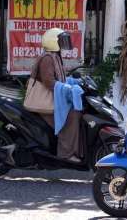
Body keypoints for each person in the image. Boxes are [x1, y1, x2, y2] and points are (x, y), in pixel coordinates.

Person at [35, 28, 83, 163]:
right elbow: (49, 81)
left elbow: (60, 79)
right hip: (45, 102)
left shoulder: (55, 57)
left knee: (76, 112)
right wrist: (68, 88)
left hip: (54, 99)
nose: (63, 44)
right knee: (72, 116)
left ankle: (76, 150)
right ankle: (66, 154)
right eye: (60, 41)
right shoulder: (47, 59)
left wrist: (75, 82)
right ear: (53, 42)